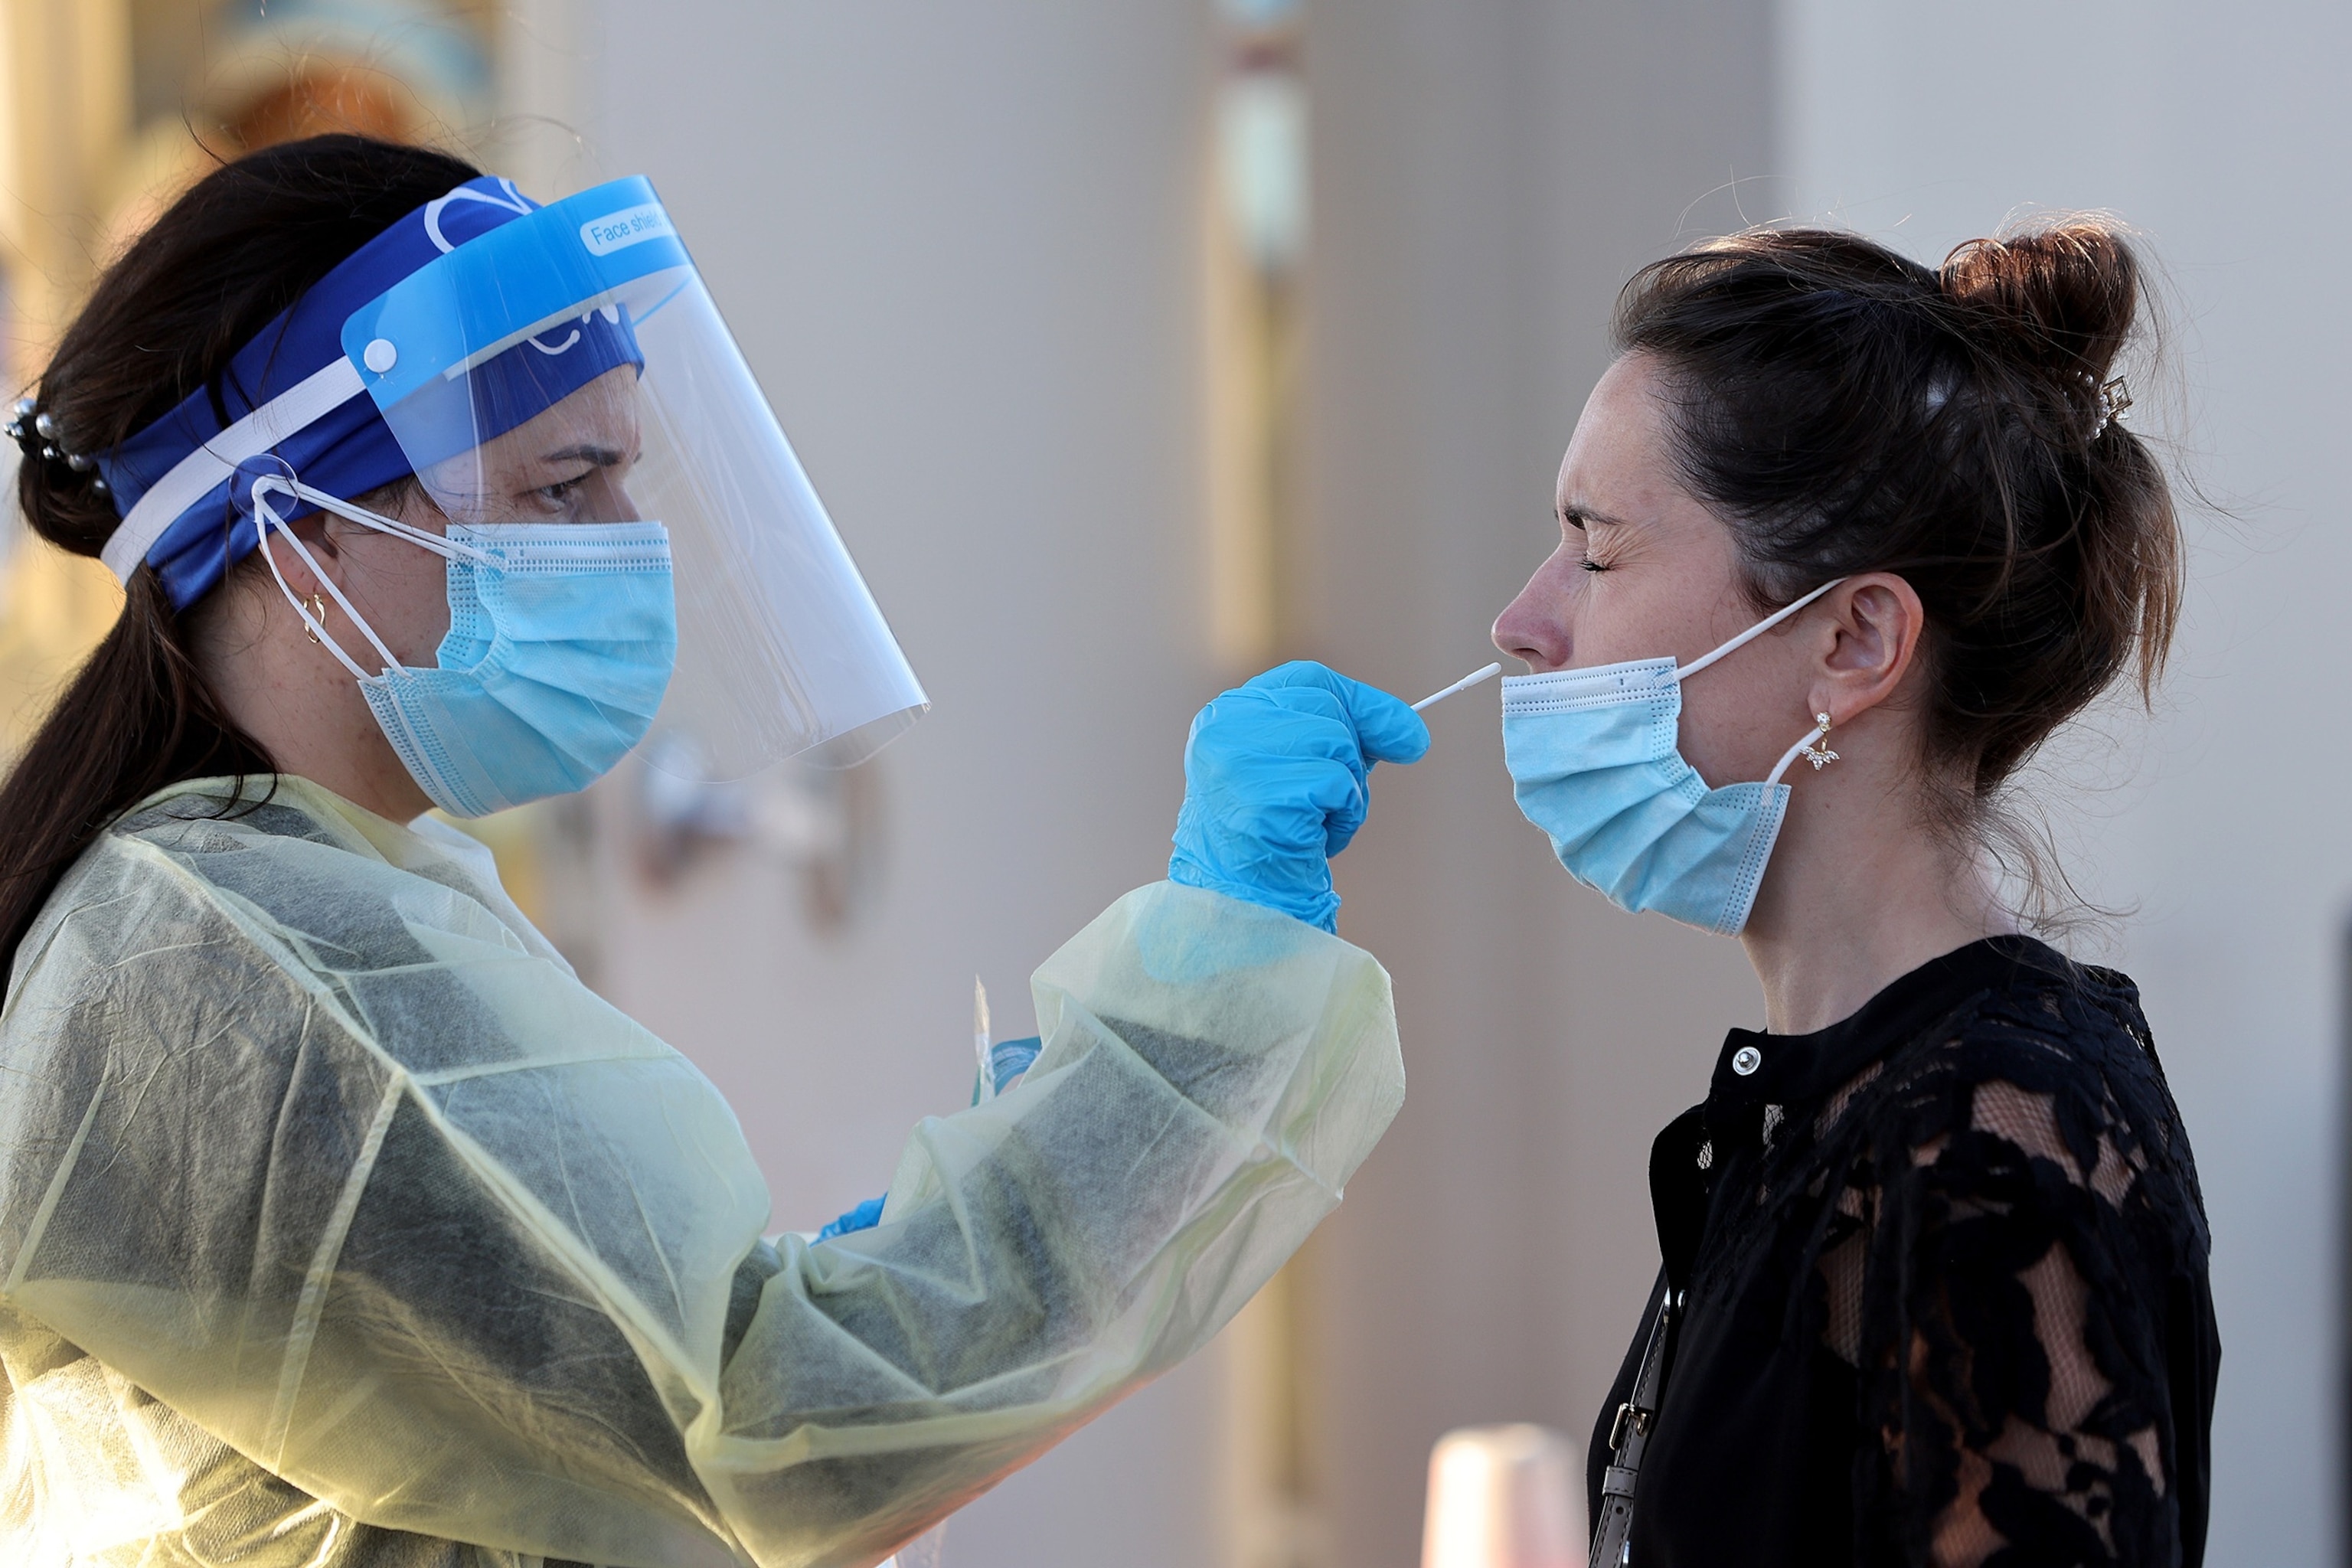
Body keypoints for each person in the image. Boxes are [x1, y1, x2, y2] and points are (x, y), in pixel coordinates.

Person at [0, 136, 1429, 1568]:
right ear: (290, 525)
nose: (631, 544)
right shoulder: (226, 963)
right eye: (563, 490)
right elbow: (771, 1429)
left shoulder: (293, 894)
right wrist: (1203, 1011)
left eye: (629, 479)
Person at [1488, 220, 2219, 1565]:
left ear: (1852, 639)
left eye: (1596, 551)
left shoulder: (1993, 1136)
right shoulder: (1830, 1105)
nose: (1523, 625)